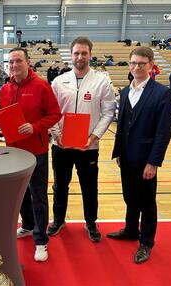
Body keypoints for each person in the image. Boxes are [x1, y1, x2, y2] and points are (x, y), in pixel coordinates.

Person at [107, 47, 171, 264]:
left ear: (151, 65)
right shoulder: (126, 91)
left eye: (142, 63)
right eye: (133, 63)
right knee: (130, 197)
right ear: (129, 64)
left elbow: (163, 132)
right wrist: (118, 152)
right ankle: (130, 230)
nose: (137, 67)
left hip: (146, 159)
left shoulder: (162, 93)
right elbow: (122, 125)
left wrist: (153, 162)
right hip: (126, 157)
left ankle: (146, 242)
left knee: (147, 202)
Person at [48, 37, 115, 243]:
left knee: (89, 186)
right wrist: (57, 135)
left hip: (89, 146)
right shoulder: (59, 81)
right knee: (60, 185)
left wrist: (93, 137)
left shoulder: (102, 81)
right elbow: (51, 112)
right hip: (61, 145)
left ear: (90, 55)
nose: (80, 57)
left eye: (84, 53)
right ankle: (58, 220)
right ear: (71, 55)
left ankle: (91, 222)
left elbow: (108, 112)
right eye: (76, 53)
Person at [0, 47, 61, 262]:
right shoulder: (5, 89)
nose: (14, 65)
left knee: (38, 196)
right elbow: (3, 118)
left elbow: (55, 114)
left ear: (27, 62)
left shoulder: (42, 86)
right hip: (13, 152)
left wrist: (34, 127)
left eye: (18, 61)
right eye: (11, 62)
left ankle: (41, 240)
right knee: (20, 194)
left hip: (37, 152)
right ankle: (26, 225)